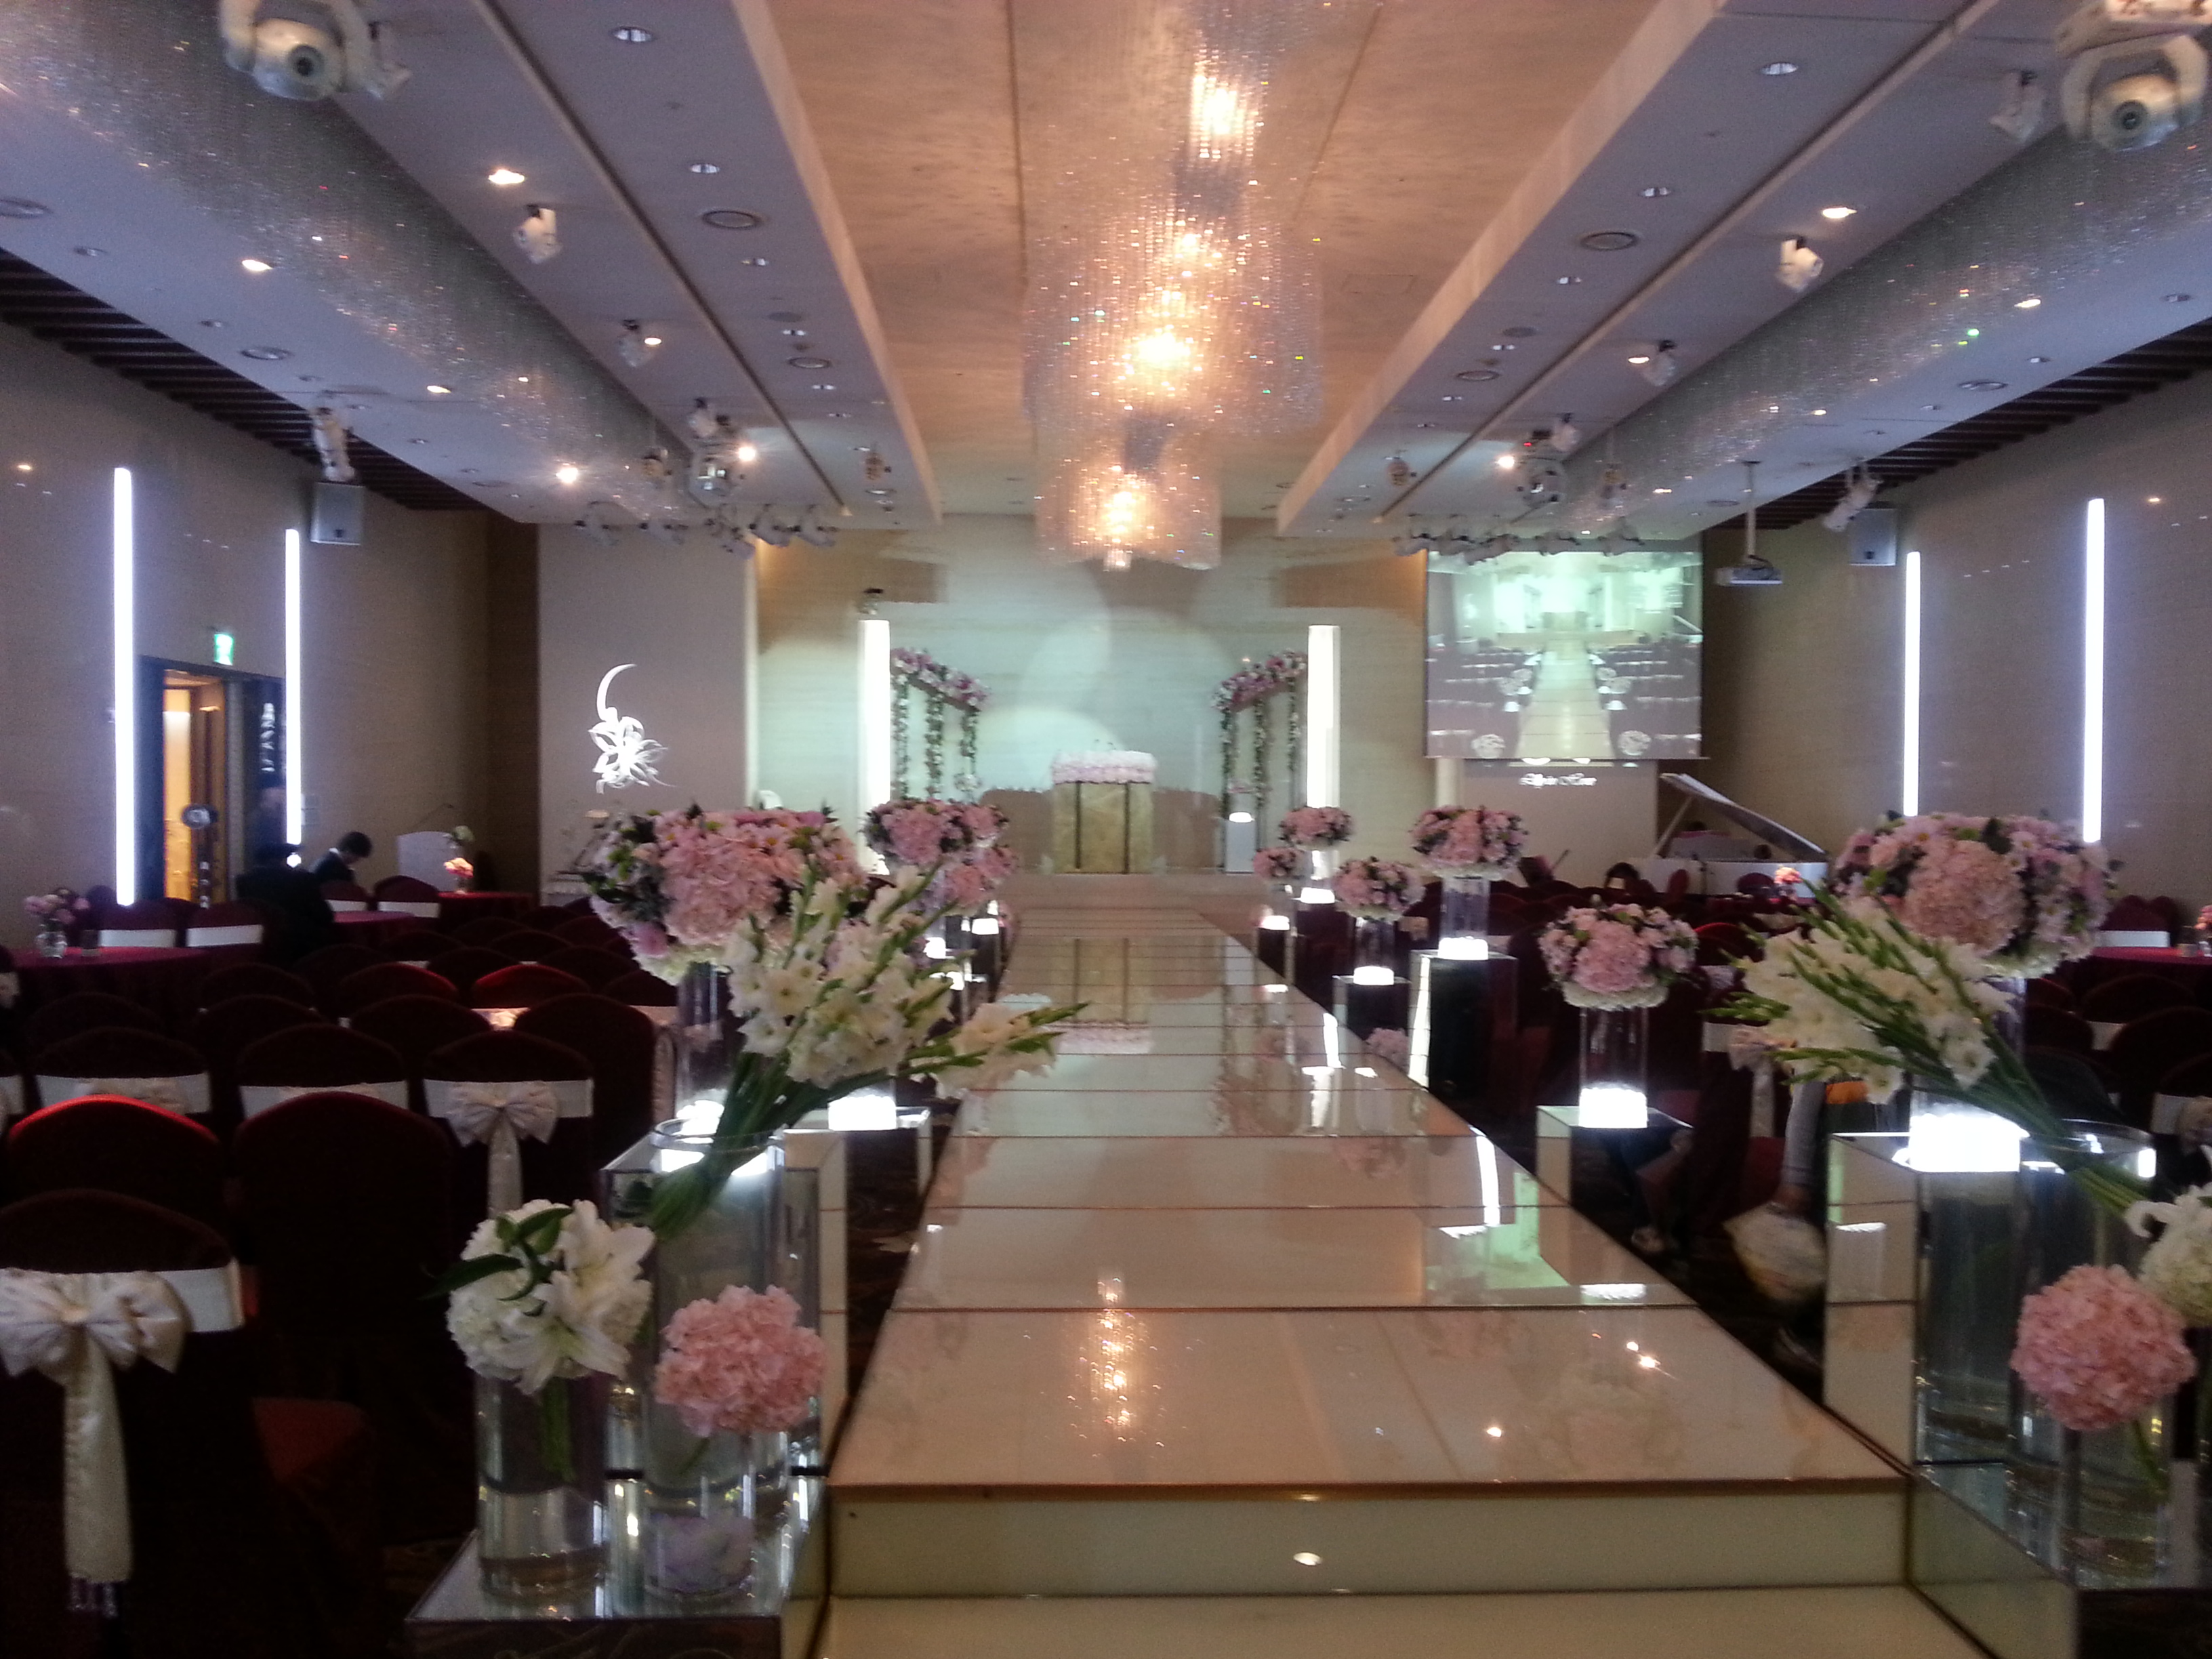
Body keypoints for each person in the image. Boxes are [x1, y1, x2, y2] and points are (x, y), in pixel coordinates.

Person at [235, 843, 336, 964]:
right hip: (301, 948)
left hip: (260, 945)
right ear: (284, 859)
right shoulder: (303, 879)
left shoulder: (244, 881)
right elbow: (325, 916)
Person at [308, 831, 373, 886]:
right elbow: (344, 891)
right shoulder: (334, 867)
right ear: (348, 850)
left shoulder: (325, 859)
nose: (357, 860)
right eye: (357, 857)